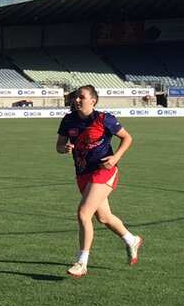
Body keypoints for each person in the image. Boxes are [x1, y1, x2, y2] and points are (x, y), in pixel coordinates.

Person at [56, 84, 141, 278]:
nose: (77, 100)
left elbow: (127, 138)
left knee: (84, 213)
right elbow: (59, 146)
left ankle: (81, 263)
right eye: (76, 97)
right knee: (104, 217)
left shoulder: (104, 119)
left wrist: (116, 157)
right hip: (83, 173)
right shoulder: (68, 120)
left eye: (82, 97)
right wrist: (64, 149)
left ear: (93, 100)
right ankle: (132, 239)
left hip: (104, 171)